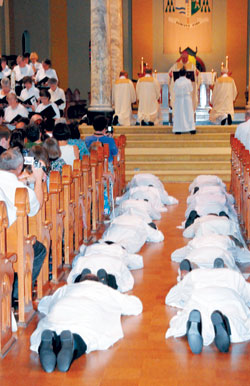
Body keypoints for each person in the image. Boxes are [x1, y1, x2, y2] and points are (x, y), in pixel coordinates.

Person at [30, 276, 143, 373]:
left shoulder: (66, 289)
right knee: (86, 335)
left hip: (60, 312)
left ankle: (51, 341)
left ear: (79, 281)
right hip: (88, 314)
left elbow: (43, 304)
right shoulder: (105, 290)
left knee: (52, 325)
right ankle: (73, 342)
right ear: (98, 282)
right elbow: (136, 306)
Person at [165, 267, 250, 354]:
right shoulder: (233, 275)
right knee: (234, 317)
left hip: (199, 295)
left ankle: (193, 325)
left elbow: (171, 297)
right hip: (228, 295)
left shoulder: (194, 274)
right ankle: (226, 324)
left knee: (192, 314)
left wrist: (182, 282)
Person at [0, 147, 46, 301]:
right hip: (9, 243)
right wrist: (38, 180)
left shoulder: (17, 183)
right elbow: (36, 208)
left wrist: (24, 179)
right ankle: (18, 292)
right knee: (39, 250)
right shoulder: (20, 189)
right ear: (20, 167)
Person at [173, 67, 195, 134]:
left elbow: (174, 90)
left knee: (179, 114)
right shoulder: (188, 81)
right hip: (186, 98)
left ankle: (178, 129)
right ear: (185, 74)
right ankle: (191, 128)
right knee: (188, 113)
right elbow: (191, 89)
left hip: (179, 99)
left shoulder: (176, 81)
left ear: (179, 74)